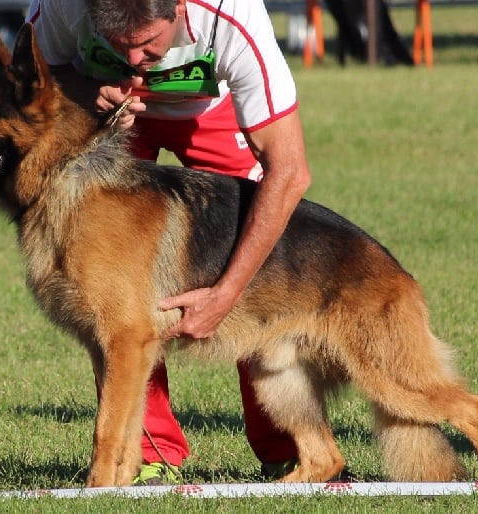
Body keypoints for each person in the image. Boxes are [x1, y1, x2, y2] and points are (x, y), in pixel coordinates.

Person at [26, 0, 312, 485]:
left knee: (258, 262)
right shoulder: (61, 5)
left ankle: (285, 446)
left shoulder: (230, 13)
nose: (136, 60)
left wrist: (226, 293)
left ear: (179, 10)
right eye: (119, 46)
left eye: (148, 45)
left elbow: (289, 174)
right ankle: (147, 452)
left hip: (209, 111)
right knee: (118, 300)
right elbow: (34, 79)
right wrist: (87, 89)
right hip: (109, 118)